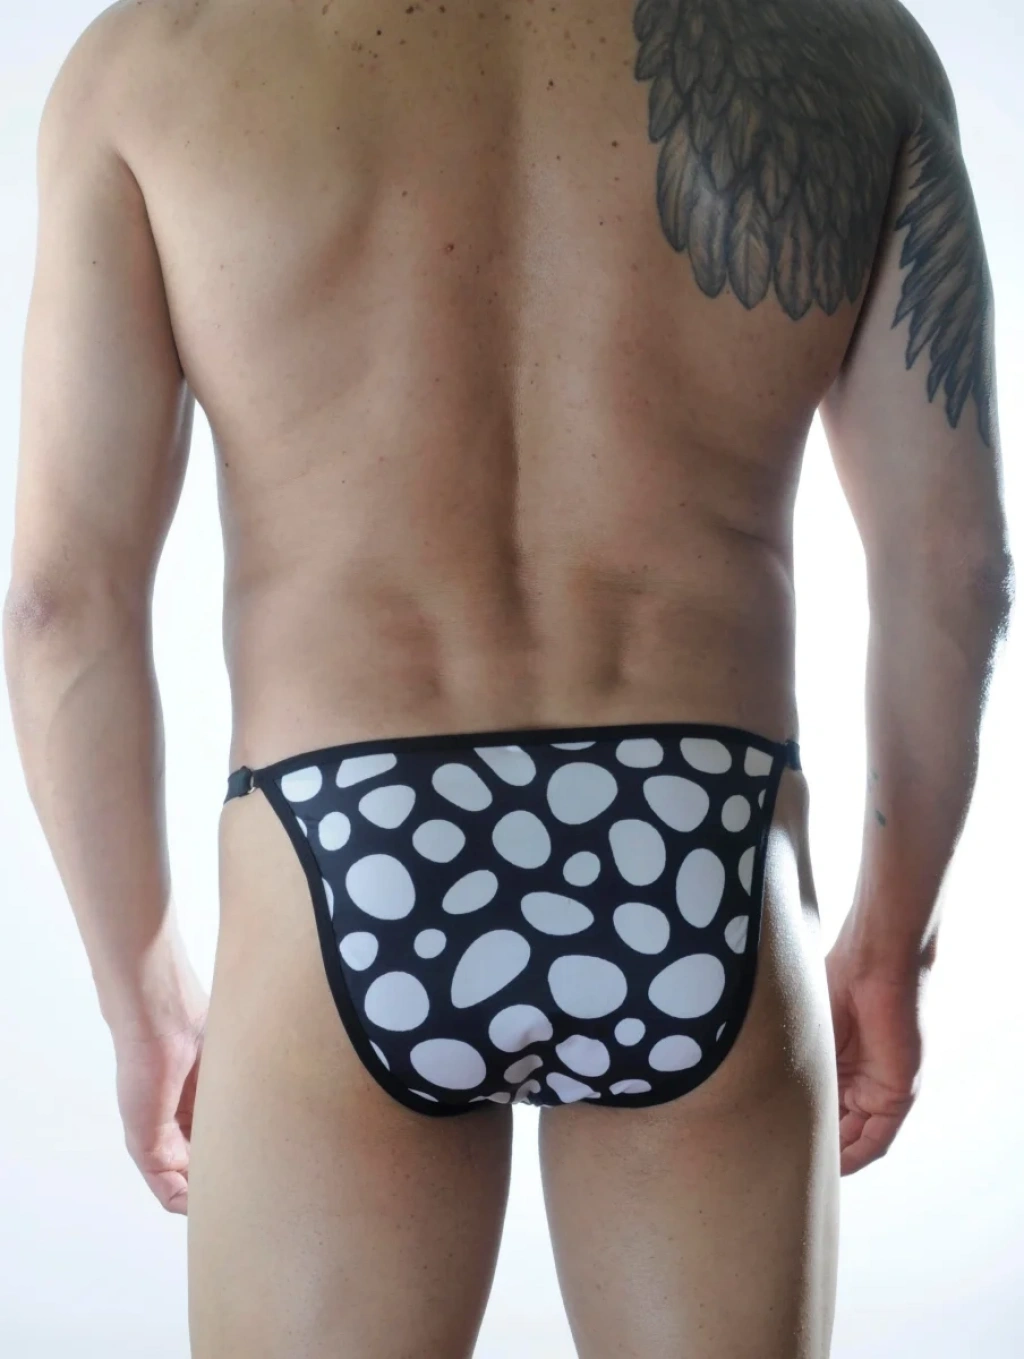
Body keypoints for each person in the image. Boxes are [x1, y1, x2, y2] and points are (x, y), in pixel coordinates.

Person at [4, 0, 1014, 1355]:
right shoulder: (848, 46)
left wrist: (142, 998)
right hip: (701, 850)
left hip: (345, 857)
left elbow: (61, 604)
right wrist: (894, 945)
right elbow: (954, 566)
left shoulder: (156, 62)